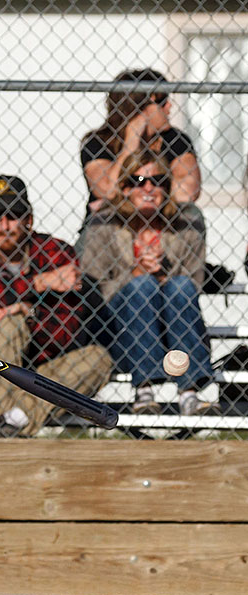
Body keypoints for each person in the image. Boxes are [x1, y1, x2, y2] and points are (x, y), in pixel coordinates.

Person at [0, 175, 113, 437]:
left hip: (39, 373)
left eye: (13, 215)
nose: (5, 225)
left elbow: (66, 331)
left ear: (29, 220)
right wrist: (38, 284)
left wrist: (27, 312)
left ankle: (10, 421)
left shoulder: (57, 253)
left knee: (99, 359)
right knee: (6, 327)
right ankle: (4, 434)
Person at [80, 151, 215, 415]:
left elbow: (194, 283)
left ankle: (189, 393)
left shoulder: (185, 227)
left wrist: (163, 276)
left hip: (173, 326)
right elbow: (93, 289)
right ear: (125, 187)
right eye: (139, 180)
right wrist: (135, 274)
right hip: (118, 331)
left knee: (180, 286)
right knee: (142, 287)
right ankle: (145, 390)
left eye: (159, 181)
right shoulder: (102, 225)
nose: (149, 188)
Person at [80, 68, 201, 218]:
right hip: (112, 230)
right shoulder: (98, 143)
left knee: (193, 215)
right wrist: (131, 143)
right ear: (141, 107)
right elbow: (107, 190)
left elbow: (187, 192)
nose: (169, 106)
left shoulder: (175, 140)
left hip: (164, 229)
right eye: (162, 101)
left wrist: (130, 188)